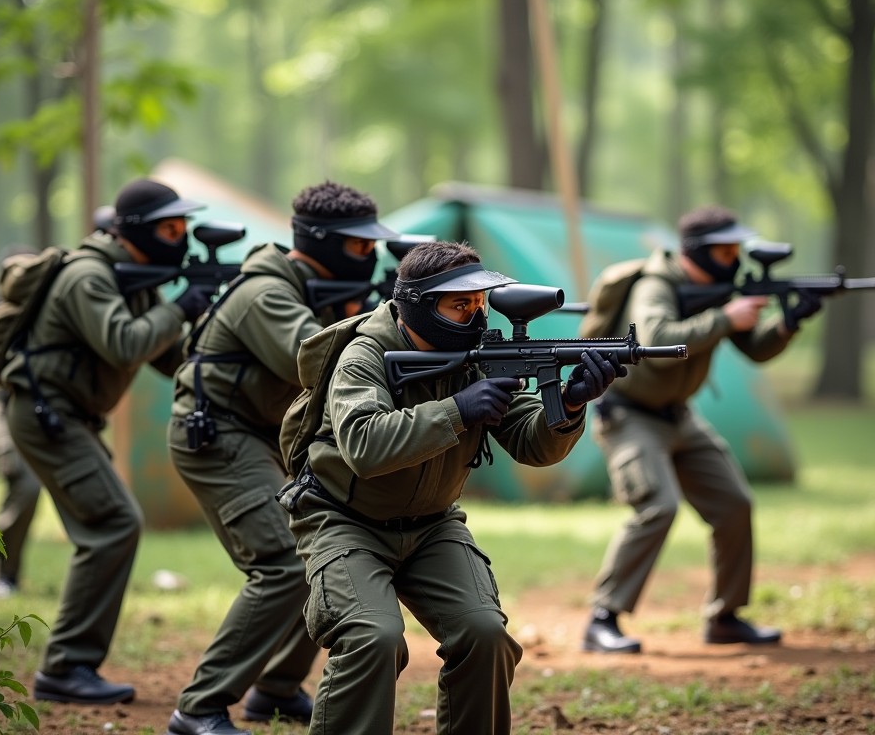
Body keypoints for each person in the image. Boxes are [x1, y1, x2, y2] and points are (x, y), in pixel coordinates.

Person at [276, 240, 627, 735]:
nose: (476, 315)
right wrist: (458, 409)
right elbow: (364, 445)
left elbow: (532, 446)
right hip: (343, 520)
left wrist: (568, 405)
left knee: (485, 635)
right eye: (460, 304)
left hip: (433, 526)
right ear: (419, 305)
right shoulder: (364, 354)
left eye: (480, 303)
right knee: (373, 636)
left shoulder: (476, 357)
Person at [164, 180, 398, 735]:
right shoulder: (266, 293)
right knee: (283, 564)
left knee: (320, 554)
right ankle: (198, 708)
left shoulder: (309, 288)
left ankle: (276, 686)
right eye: (360, 245)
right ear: (322, 242)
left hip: (266, 436)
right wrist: (389, 315)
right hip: (219, 436)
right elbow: (320, 362)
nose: (369, 256)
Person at [4, 178, 218, 704]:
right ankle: (66, 667)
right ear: (137, 232)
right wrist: (178, 307)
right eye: (170, 229)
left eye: (184, 227)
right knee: (114, 522)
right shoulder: (89, 276)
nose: (181, 238)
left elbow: (167, 357)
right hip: (47, 416)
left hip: (71, 418)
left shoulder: (135, 280)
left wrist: (210, 323)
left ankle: (71, 664)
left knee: (111, 523)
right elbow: (124, 343)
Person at [582, 205, 823, 654]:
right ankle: (602, 619)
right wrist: (726, 317)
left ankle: (725, 618)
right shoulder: (657, 284)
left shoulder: (715, 290)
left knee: (734, 504)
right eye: (725, 250)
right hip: (630, 415)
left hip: (680, 415)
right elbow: (655, 340)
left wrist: (789, 323)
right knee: (657, 506)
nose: (734, 259)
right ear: (697, 251)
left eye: (736, 250)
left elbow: (755, 349)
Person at [0, 385, 42, 598]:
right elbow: (0, 400)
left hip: (66, 423)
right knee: (27, 487)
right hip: (18, 421)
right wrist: (4, 445)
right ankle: (4, 574)